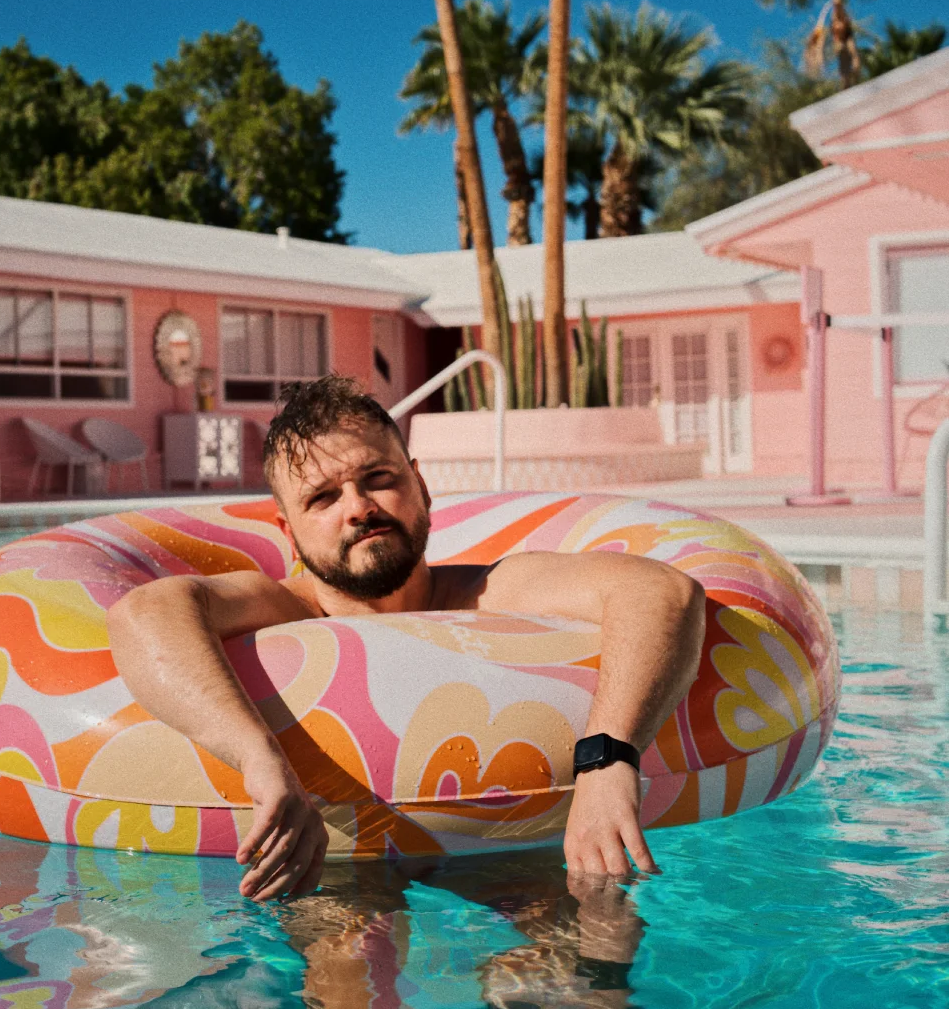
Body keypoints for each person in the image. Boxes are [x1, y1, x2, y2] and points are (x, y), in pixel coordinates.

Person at [108, 376, 706, 902]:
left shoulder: (485, 591)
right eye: (323, 497)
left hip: (506, 845)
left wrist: (606, 762)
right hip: (335, 856)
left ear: (420, 487)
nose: (359, 507)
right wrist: (261, 762)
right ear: (288, 533)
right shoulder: (283, 606)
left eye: (379, 478)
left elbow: (662, 593)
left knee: (581, 965)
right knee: (350, 982)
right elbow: (144, 614)